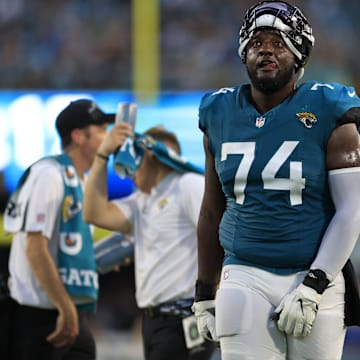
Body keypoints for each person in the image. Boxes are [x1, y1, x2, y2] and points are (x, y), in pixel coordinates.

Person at [191, 1, 360, 359]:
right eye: (256, 43)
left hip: (315, 272)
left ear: (298, 56)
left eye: (278, 43)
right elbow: (211, 210)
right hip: (243, 271)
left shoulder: (329, 107)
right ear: (243, 54)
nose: (265, 50)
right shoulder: (219, 112)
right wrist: (205, 290)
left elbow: (352, 209)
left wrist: (315, 283)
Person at [83, 124, 215, 360]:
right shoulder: (142, 199)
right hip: (154, 321)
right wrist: (102, 155)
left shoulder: (187, 185)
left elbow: (220, 241)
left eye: (136, 158)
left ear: (152, 155)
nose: (129, 169)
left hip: (184, 317)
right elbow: (93, 213)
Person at [3, 99, 115, 359]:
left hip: (68, 311)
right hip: (41, 317)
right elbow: (35, 248)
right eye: (99, 131)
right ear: (78, 136)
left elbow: (70, 249)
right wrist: (65, 307)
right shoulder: (49, 174)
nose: (107, 138)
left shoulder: (81, 180)